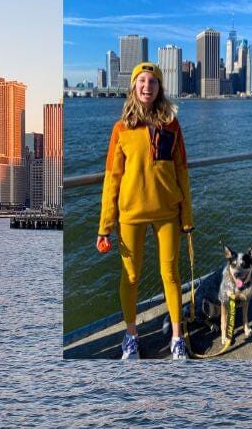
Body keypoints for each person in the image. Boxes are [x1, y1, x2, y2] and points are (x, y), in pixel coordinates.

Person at [96, 62, 194, 360]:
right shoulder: (121, 128)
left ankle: (178, 338)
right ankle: (131, 336)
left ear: (159, 87)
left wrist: (187, 217)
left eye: (153, 81)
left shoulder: (171, 125)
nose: (147, 86)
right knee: (131, 277)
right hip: (131, 215)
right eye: (142, 80)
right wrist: (105, 226)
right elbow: (112, 178)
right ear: (134, 86)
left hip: (168, 212)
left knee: (171, 275)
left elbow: (182, 172)